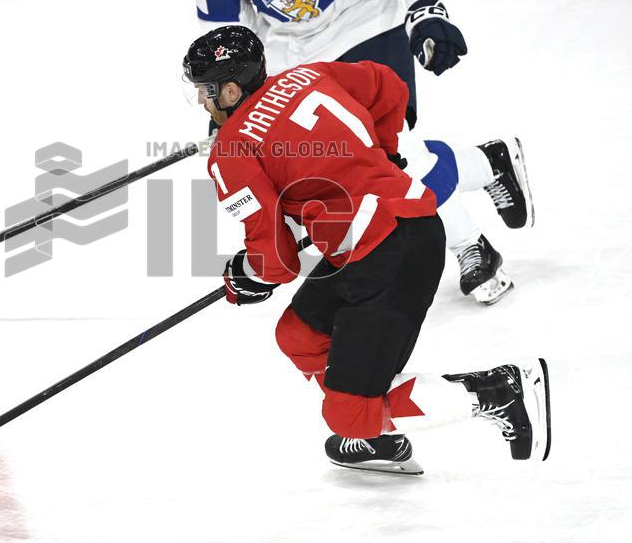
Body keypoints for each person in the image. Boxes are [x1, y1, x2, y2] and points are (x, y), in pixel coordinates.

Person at [184, 25, 551, 473]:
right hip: (399, 235)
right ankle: (376, 434)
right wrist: (384, 150)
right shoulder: (307, 75)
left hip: (386, 256)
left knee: (346, 416)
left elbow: (276, 262)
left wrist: (243, 276)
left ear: (231, 88)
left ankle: (498, 391)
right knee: (300, 335)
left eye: (205, 91)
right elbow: (387, 85)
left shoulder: (231, 151)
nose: (202, 103)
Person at [191, 0, 534, 305]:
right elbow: (224, 30)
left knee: (392, 156)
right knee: (349, 165)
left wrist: (426, 13)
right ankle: (486, 164)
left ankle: (470, 245)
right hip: (293, 55)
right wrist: (230, 96)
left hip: (366, 28)